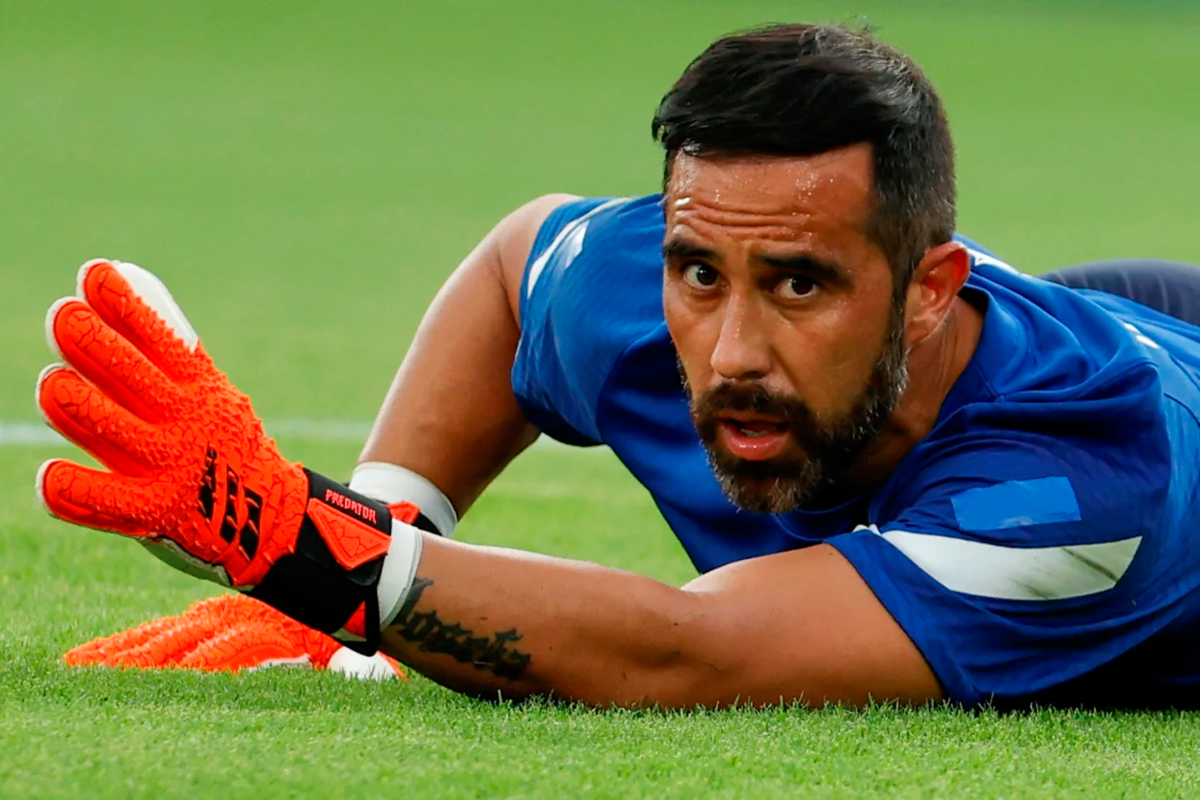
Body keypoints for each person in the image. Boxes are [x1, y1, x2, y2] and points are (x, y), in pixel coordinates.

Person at [41, 23, 1200, 710]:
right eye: (700, 275)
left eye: (803, 283)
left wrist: (310, 546)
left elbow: (688, 652)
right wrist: (379, 522)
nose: (733, 350)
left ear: (930, 288)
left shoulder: (1078, 493)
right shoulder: (692, 262)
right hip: (1113, 304)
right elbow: (516, 267)